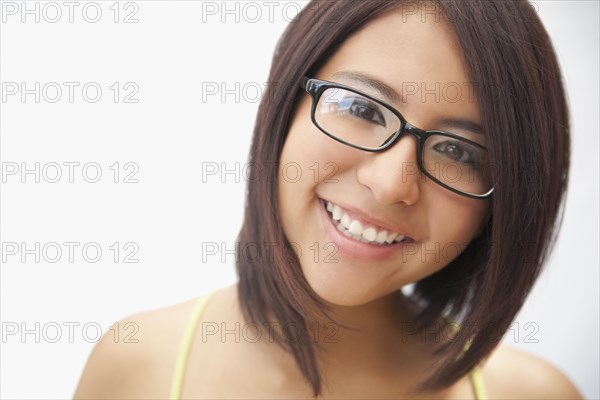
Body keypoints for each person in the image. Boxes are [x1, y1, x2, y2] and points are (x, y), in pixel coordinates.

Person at [74, 1, 583, 398]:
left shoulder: (536, 394)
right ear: (284, 106)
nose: (390, 184)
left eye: (458, 151)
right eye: (361, 107)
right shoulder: (138, 365)